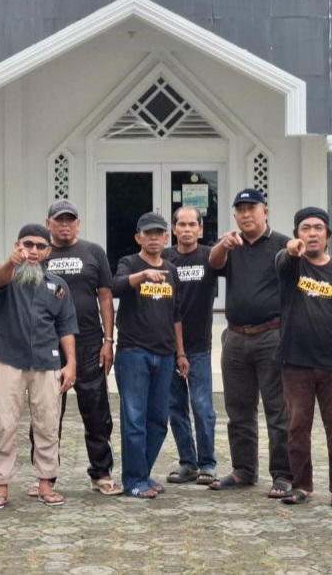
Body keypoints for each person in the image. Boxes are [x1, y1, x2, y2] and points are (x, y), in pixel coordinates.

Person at [0, 224, 78, 511]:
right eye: (27, 245)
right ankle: (1, 486)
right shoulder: (6, 275)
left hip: (47, 362)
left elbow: (66, 326)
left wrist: (71, 364)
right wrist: (12, 261)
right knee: (3, 423)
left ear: (48, 251)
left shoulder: (58, 286)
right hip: (8, 360)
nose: (33, 251)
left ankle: (46, 483)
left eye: (39, 246)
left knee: (48, 423)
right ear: (17, 246)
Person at [207, 188, 292, 498]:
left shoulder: (282, 244)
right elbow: (213, 264)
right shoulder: (232, 245)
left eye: (251, 208)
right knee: (238, 410)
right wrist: (222, 244)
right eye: (240, 210)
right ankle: (243, 469)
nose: (245, 214)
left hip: (271, 336)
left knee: (277, 410)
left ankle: (283, 474)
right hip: (235, 338)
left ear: (264, 211)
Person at [274, 207, 332, 508]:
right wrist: (291, 250)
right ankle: (301, 485)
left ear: (327, 235)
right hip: (295, 362)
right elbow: (283, 260)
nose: (312, 233)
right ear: (297, 234)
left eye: (318, 228)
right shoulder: (291, 265)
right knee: (297, 426)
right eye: (305, 228)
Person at [43, 199, 121, 496]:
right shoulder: (41, 252)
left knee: (96, 412)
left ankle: (101, 472)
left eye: (70, 220)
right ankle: (46, 476)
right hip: (49, 345)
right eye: (59, 220)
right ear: (48, 223)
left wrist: (108, 340)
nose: (65, 225)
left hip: (89, 343)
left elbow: (105, 297)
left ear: (78, 224)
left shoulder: (93, 252)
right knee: (47, 413)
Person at [112, 212, 189, 499]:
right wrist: (143, 275)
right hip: (134, 352)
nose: (154, 238)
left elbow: (176, 314)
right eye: (148, 234)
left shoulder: (171, 269)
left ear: (167, 237)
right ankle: (133, 480)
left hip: (165, 355)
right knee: (134, 419)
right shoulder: (129, 263)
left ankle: (142, 473)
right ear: (138, 238)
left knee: (158, 421)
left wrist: (181, 353)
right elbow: (116, 286)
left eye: (159, 234)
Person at [163, 206, 218, 487]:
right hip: (167, 346)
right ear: (173, 229)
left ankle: (207, 462)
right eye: (181, 225)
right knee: (175, 407)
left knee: (202, 406)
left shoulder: (210, 256)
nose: (186, 229)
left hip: (199, 345)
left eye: (191, 225)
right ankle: (188, 462)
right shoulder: (163, 258)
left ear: (200, 229)